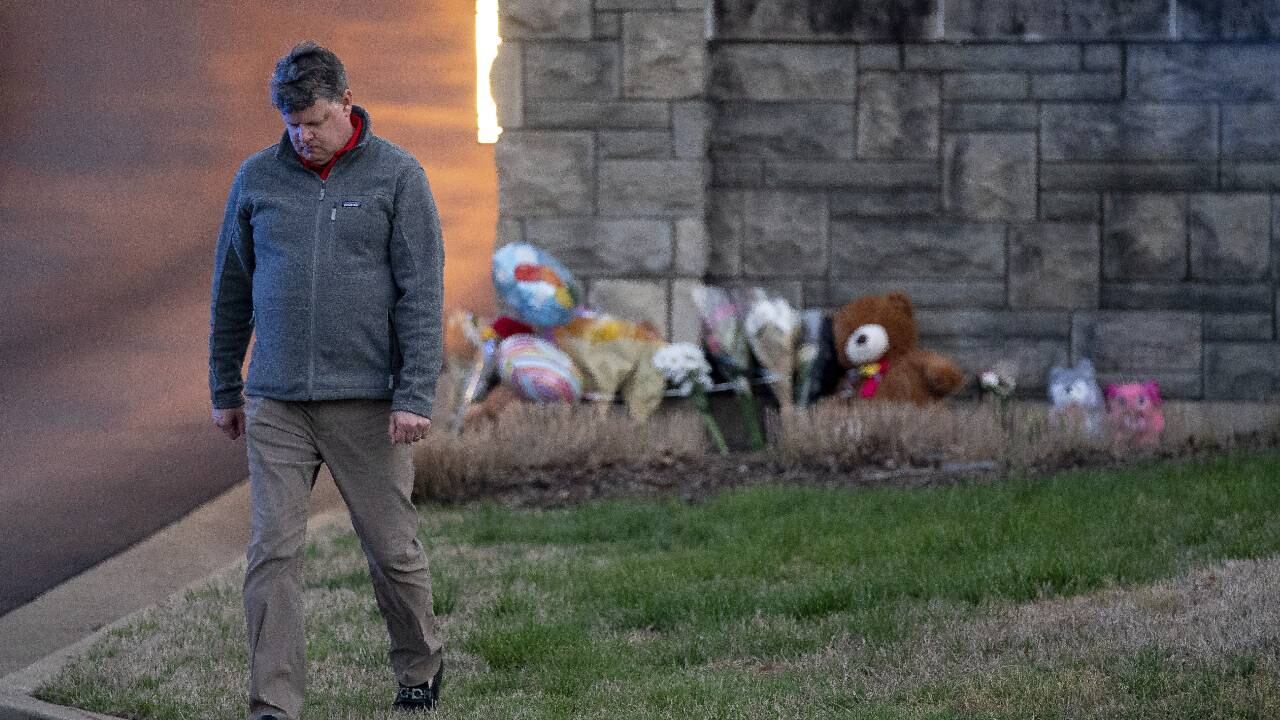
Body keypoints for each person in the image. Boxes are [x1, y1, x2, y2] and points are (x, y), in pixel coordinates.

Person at [208, 41, 445, 719]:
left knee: (391, 550)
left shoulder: (398, 176)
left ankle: (420, 667)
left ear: (346, 102)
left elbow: (421, 294)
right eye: (291, 124)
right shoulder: (257, 179)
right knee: (272, 553)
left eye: (314, 121)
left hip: (367, 402)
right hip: (277, 401)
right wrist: (226, 386)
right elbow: (231, 290)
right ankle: (274, 704)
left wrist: (414, 395)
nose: (303, 136)